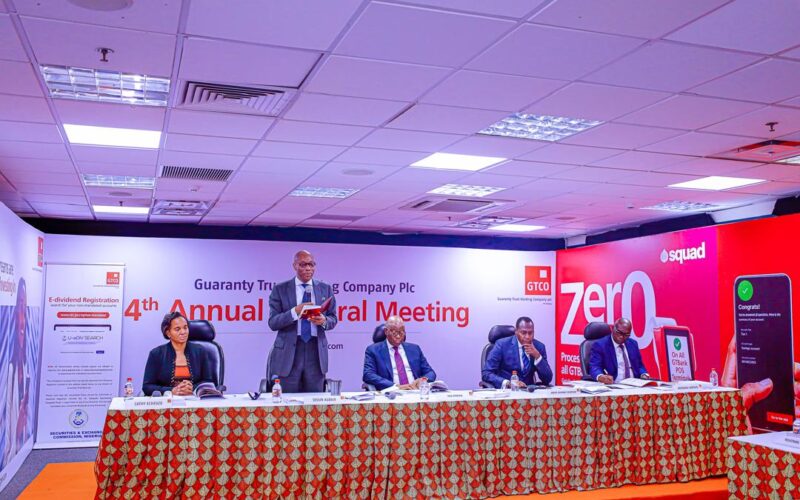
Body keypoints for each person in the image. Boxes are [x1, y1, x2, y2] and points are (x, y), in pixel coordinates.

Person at [267, 250, 337, 393]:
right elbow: (273, 322)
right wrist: (295, 312)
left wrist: (324, 320)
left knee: (315, 402)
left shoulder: (325, 288)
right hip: (289, 352)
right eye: (303, 264)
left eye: (311, 264)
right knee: (288, 402)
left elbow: (333, 319)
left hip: (315, 351)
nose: (308, 268)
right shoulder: (280, 289)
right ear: (294, 266)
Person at [142, 312, 215, 396]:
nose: (183, 332)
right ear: (168, 333)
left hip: (195, 399)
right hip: (168, 401)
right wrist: (171, 391)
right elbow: (147, 387)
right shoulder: (156, 354)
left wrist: (192, 388)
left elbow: (208, 381)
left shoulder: (201, 351)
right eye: (177, 329)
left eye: (185, 327)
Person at [362, 316, 437, 391]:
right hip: (391, 393)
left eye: (401, 331)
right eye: (394, 331)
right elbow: (368, 375)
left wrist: (422, 380)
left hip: (415, 391)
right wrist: (395, 386)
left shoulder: (414, 349)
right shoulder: (373, 350)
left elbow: (430, 372)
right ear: (386, 331)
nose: (398, 335)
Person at [2, 278, 30, 468]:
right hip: (9, 456)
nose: (22, 319)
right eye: (19, 307)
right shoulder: (9, 370)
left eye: (25, 308)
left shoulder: (26, 366)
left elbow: (21, 429)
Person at [482, 316, 553, 389]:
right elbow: (486, 373)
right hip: (508, 391)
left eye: (530, 333)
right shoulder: (502, 345)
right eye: (523, 333)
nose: (527, 337)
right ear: (516, 332)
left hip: (529, 392)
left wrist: (537, 356)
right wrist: (508, 383)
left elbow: (547, 379)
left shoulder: (539, 347)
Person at [589, 317, 650, 384]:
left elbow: (639, 365)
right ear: (613, 328)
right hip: (615, 384)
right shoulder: (600, 345)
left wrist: (644, 374)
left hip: (635, 384)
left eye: (626, 335)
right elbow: (595, 367)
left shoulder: (633, 344)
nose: (621, 337)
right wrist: (600, 377)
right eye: (619, 332)